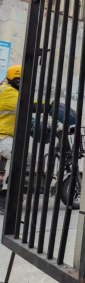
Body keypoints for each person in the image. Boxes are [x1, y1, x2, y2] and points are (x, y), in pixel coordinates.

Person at [0, 65, 21, 204]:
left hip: (5, 136)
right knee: (22, 157)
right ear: (17, 80)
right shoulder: (9, 92)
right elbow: (26, 105)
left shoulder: (8, 90)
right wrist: (49, 106)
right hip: (2, 137)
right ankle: (6, 194)